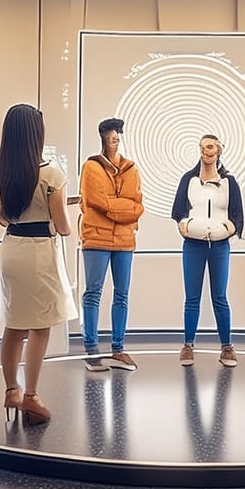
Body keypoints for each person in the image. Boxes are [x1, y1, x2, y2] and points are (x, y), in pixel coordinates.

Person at [0, 104, 77, 424]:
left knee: (14, 325)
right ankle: (32, 396)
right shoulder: (52, 174)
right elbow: (63, 226)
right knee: (40, 327)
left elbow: (2, 219)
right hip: (40, 251)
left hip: (12, 249)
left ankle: (11, 389)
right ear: (35, 134)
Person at [171, 134, 244, 367]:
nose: (206, 151)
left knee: (220, 297)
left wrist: (229, 228)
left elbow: (237, 214)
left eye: (210, 147)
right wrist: (183, 225)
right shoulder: (188, 179)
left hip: (220, 247)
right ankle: (188, 345)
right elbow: (178, 210)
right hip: (193, 245)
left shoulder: (229, 182)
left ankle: (227, 348)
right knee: (192, 298)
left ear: (219, 150)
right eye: (202, 147)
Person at [79, 117, 144, 371]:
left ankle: (118, 349)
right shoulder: (91, 167)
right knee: (93, 292)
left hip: (125, 241)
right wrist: (122, 208)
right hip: (96, 238)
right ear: (103, 136)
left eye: (118, 132)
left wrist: (116, 208)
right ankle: (91, 349)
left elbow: (138, 205)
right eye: (111, 132)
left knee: (122, 294)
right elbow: (96, 201)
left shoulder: (131, 169)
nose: (115, 136)